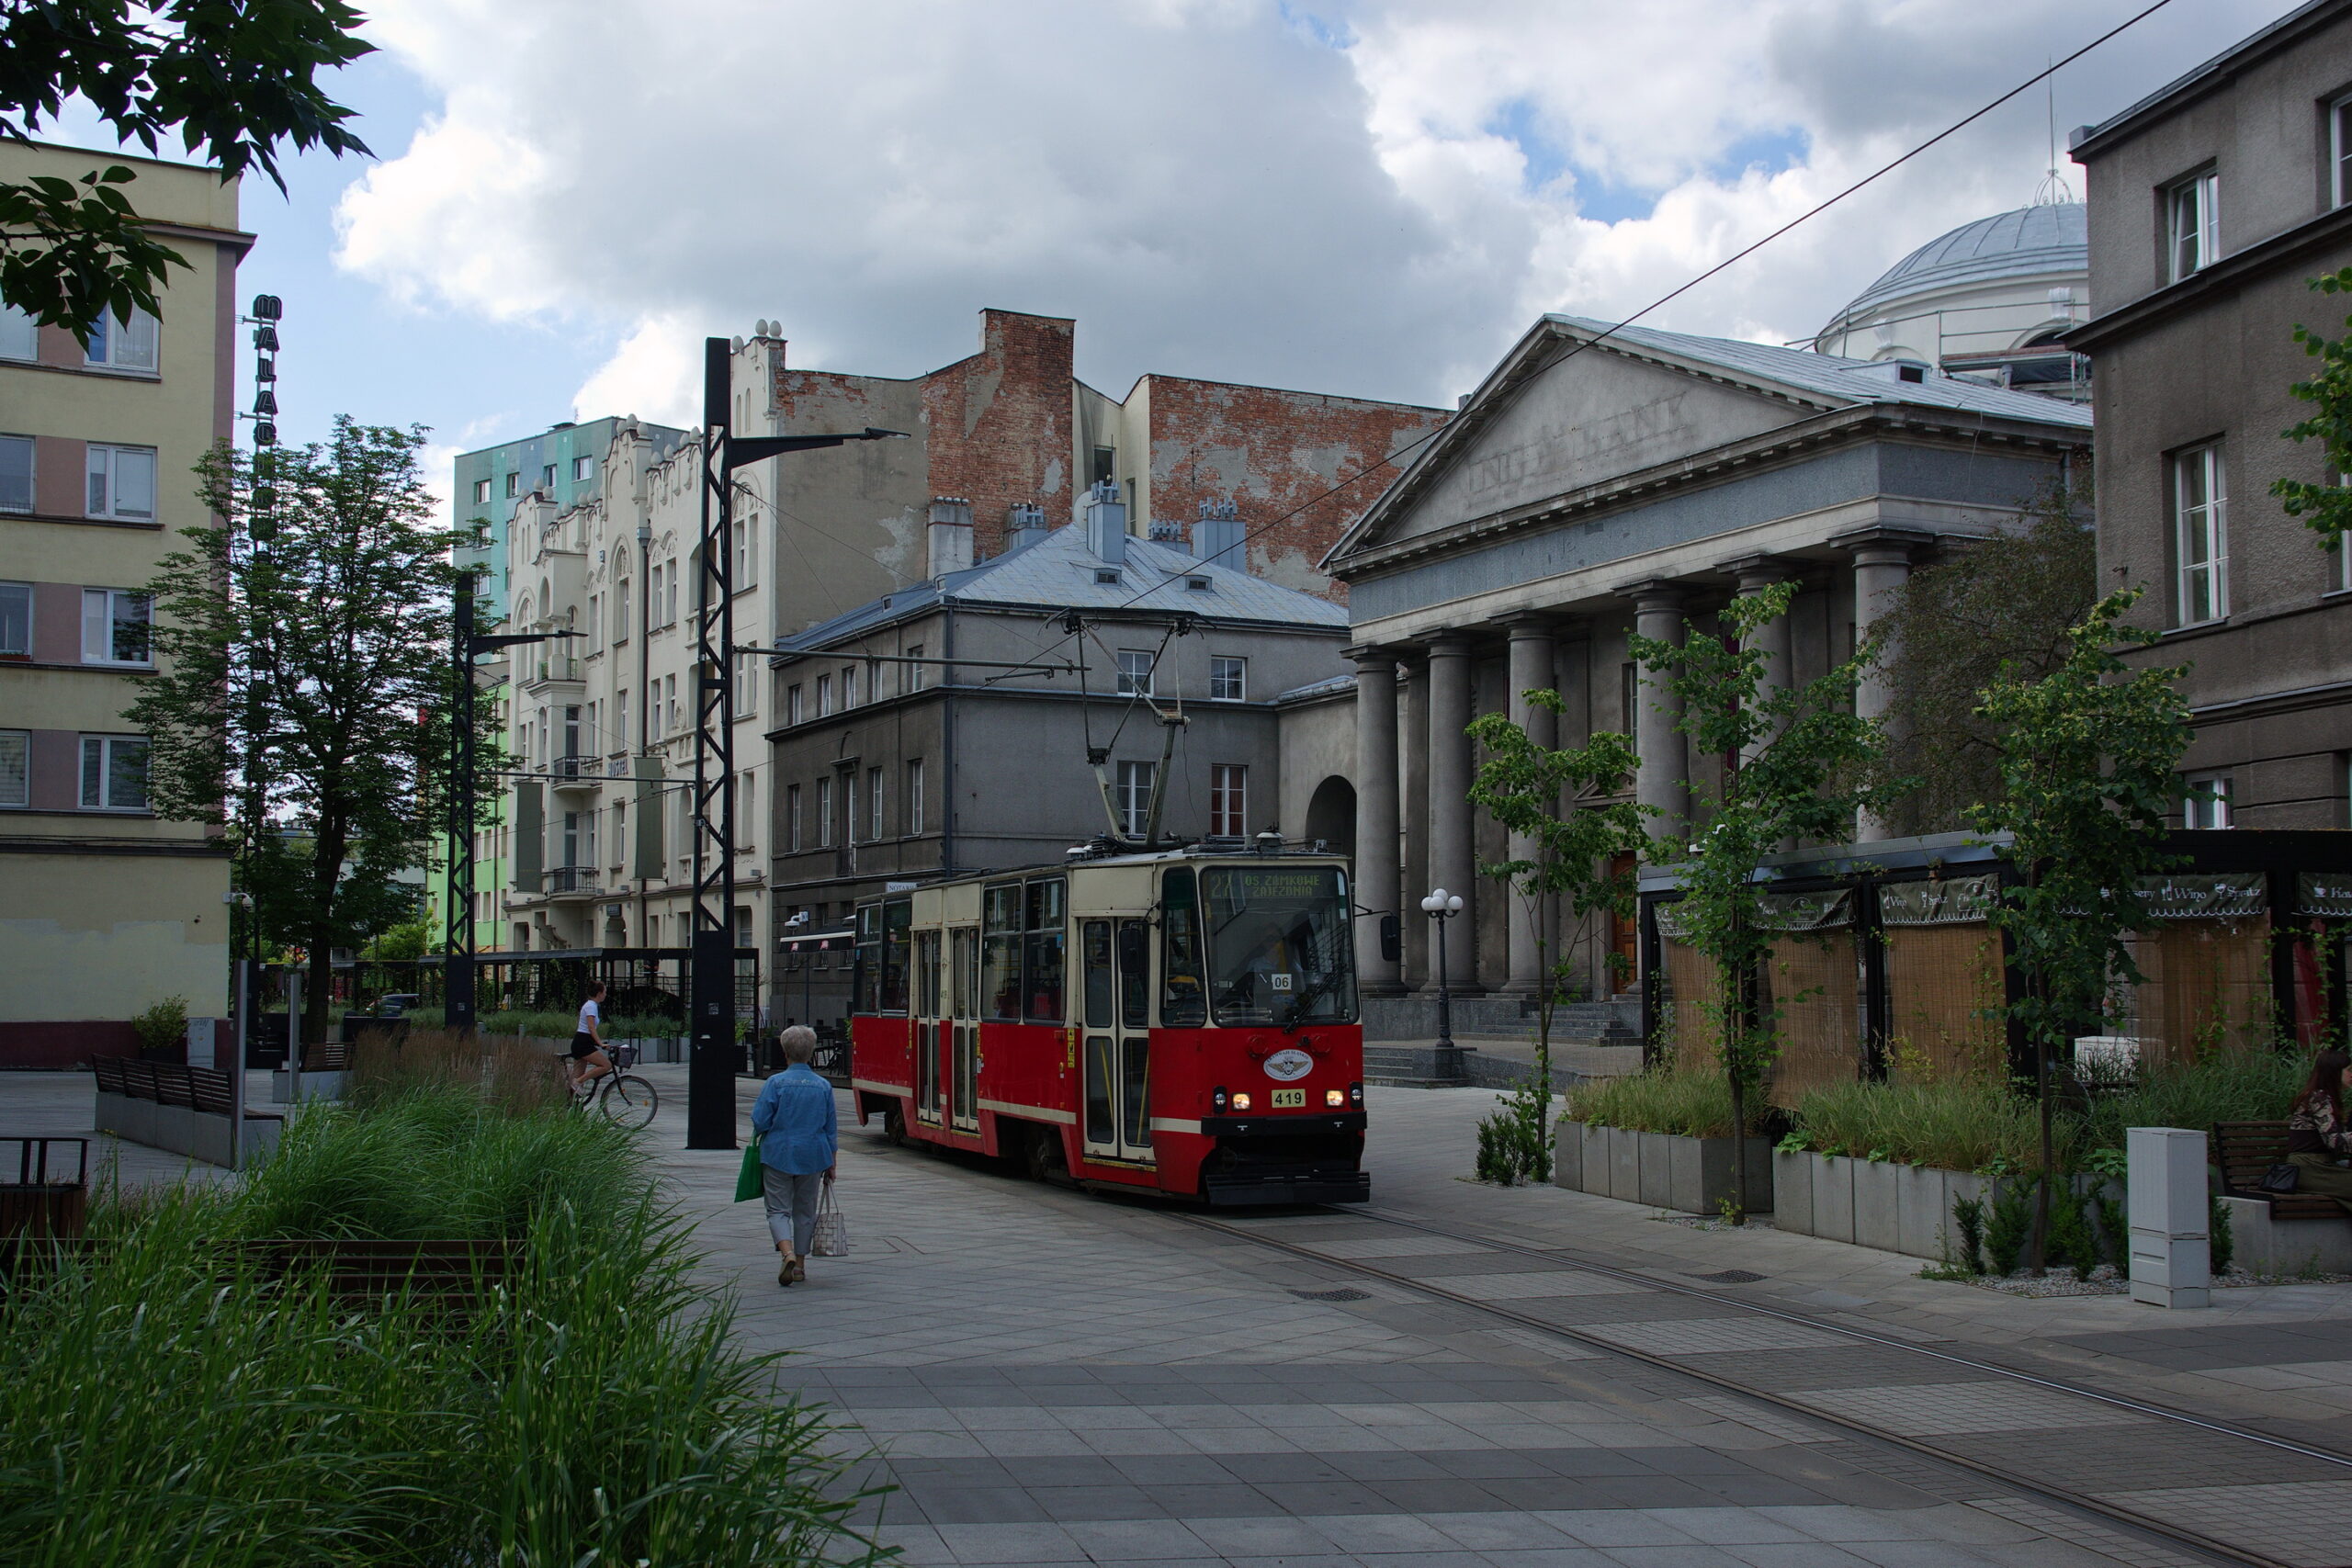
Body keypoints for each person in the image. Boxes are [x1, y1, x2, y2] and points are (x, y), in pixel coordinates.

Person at [751, 1025, 838, 1286]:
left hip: (778, 1153)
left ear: (784, 1052)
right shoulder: (823, 1086)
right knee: (805, 1211)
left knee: (777, 1209)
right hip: (813, 1155)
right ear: (811, 1053)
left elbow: (760, 1121)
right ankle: (799, 1264)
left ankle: (785, 1252)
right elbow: (830, 1129)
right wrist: (832, 1163)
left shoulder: (775, 1083)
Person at [2287, 1048, 2352, 1216]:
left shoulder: (2327, 1098)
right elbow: (2334, 1141)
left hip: (2323, 1167)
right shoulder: (2318, 1099)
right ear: (2334, 1073)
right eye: (2349, 1070)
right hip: (2309, 1169)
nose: (2351, 1074)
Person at [567, 980, 613, 1095]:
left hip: (582, 1042)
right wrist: (601, 1044)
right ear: (599, 993)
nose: (606, 994)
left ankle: (570, 1105)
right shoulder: (591, 1006)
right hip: (583, 1044)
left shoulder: (591, 1005)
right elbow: (591, 1028)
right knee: (606, 1065)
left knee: (574, 1085)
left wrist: (597, 1043)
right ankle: (578, 1082)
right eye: (605, 992)